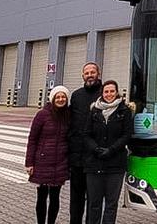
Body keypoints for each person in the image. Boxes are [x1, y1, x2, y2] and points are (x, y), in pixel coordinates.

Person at [84, 79, 133, 224]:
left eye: (112, 91)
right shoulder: (94, 110)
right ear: (102, 93)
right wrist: (96, 149)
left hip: (115, 164)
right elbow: (86, 134)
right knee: (94, 204)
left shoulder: (124, 111)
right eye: (106, 91)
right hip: (94, 163)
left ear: (117, 92)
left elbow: (127, 135)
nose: (109, 94)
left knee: (111, 204)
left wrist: (111, 150)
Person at [26, 85, 71, 224]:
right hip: (43, 161)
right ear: (52, 99)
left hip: (61, 161)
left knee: (55, 197)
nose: (60, 99)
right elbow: (32, 138)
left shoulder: (69, 115)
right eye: (58, 97)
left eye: (63, 96)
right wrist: (29, 162)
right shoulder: (42, 115)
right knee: (42, 196)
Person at [68, 62, 103, 224]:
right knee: (76, 199)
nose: (90, 75)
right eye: (87, 73)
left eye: (93, 72)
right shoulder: (76, 96)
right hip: (77, 159)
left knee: (94, 200)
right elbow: (70, 123)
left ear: (98, 74)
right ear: (83, 76)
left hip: (96, 158)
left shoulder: (106, 94)